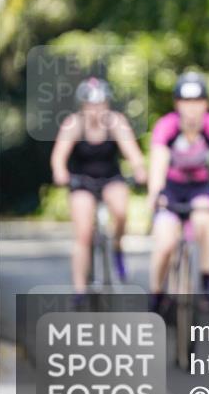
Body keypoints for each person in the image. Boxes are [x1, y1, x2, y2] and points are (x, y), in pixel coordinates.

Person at [50, 77, 147, 296]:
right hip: (82, 182)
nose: (96, 110)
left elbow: (133, 154)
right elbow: (58, 158)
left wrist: (140, 169)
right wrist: (60, 173)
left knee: (121, 212)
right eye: (91, 105)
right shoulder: (73, 124)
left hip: (111, 178)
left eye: (101, 104)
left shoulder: (116, 122)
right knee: (83, 233)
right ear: (83, 106)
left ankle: (117, 247)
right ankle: (79, 289)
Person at [146, 72, 209, 314]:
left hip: (199, 188)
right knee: (165, 242)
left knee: (203, 223)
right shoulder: (167, 126)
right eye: (186, 102)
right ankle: (156, 293)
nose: (192, 108)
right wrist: (155, 194)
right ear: (177, 104)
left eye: (197, 102)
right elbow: (158, 163)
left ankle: (207, 283)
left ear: (206, 104)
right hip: (171, 189)